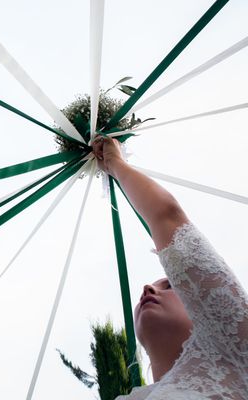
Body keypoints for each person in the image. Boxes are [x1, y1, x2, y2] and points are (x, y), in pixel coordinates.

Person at [92, 135, 248, 400]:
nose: (149, 288)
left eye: (171, 284)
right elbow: (167, 216)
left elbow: (167, 216)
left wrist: (115, 163)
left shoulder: (236, 342)